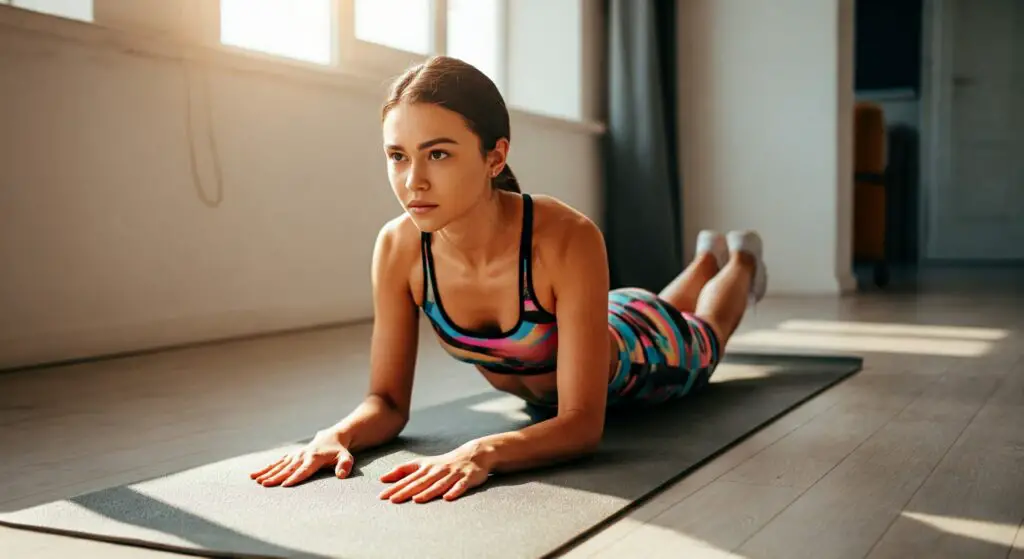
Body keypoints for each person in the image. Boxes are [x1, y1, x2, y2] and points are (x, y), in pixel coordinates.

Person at [249, 55, 767, 504]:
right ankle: (703, 259)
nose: (414, 181)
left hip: (644, 355)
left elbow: (583, 425)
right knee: (654, 303)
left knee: (702, 330)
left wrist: (483, 450)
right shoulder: (398, 247)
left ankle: (740, 259)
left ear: (495, 156)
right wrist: (334, 435)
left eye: (439, 153)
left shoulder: (565, 235)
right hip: (605, 316)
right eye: (397, 156)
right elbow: (386, 404)